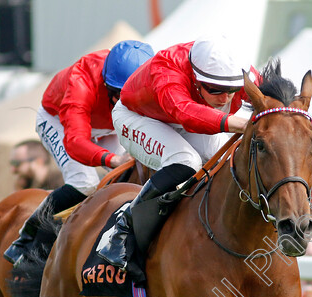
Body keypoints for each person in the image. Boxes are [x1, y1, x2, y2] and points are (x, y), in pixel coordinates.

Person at [97, 35, 251, 269]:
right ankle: (120, 230)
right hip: (137, 116)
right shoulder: (167, 68)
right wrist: (239, 123)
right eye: (216, 89)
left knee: (227, 157)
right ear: (196, 78)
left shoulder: (237, 70)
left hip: (178, 116)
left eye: (232, 89)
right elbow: (185, 112)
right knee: (186, 161)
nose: (225, 98)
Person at [3, 40, 155, 265]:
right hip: (58, 119)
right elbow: (76, 141)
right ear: (106, 83)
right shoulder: (81, 80)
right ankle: (28, 238)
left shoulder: (157, 75)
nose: (122, 102)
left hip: (110, 125)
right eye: (117, 94)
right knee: (84, 183)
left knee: (134, 175)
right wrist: (111, 159)